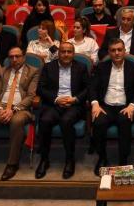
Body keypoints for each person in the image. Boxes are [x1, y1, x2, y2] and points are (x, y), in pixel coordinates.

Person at [0, 47, 39, 181]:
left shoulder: (33, 71)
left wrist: (14, 110)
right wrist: (0, 109)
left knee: (17, 121)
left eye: (17, 56)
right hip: (0, 106)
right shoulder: (1, 71)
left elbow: (30, 96)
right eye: (11, 57)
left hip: (21, 108)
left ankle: (12, 164)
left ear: (24, 57)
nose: (14, 59)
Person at [90, 38, 134, 176]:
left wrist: (132, 105)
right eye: (113, 50)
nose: (117, 53)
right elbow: (93, 88)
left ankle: (123, 160)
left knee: (125, 121)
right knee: (98, 122)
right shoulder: (101, 67)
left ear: (124, 51)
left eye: (120, 50)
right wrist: (95, 104)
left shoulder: (133, 67)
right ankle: (102, 158)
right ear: (109, 52)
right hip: (105, 107)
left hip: (125, 106)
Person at [37, 42, 90, 179]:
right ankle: (44, 159)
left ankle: (69, 160)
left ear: (73, 54)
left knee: (66, 121)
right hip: (54, 104)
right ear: (58, 53)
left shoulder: (81, 67)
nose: (66, 54)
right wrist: (56, 99)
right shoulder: (48, 67)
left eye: (69, 52)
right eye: (63, 51)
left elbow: (88, 88)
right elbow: (41, 88)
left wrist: (75, 99)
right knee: (44, 120)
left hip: (74, 105)